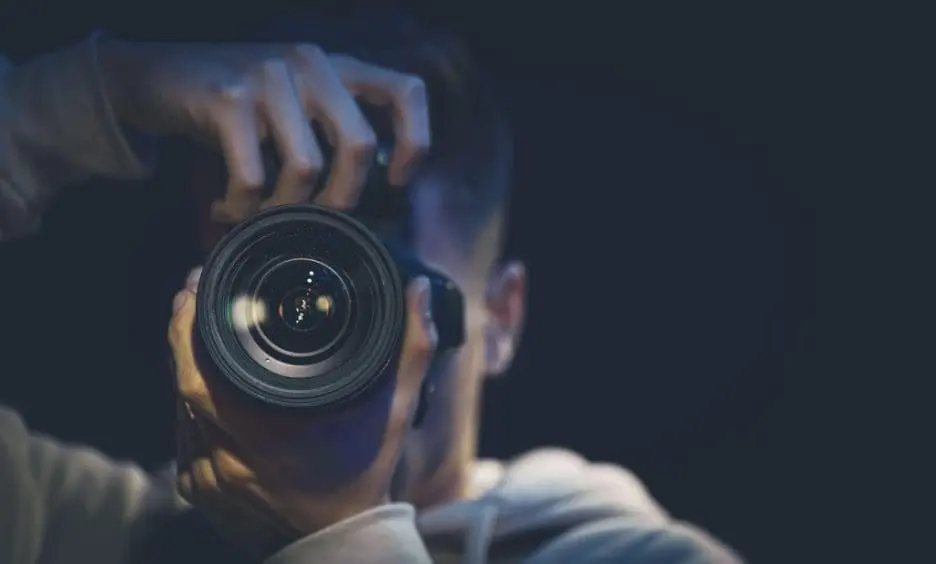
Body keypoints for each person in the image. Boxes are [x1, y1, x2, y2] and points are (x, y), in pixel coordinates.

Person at [0, 14, 745, 564]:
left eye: (375, 283)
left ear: (500, 318)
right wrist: (93, 92)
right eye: (280, 276)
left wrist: (340, 534)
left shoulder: (639, 554)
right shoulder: (124, 536)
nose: (319, 328)